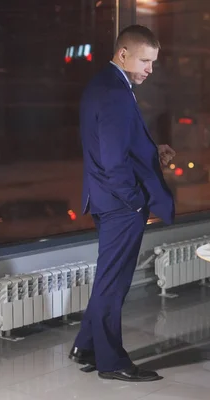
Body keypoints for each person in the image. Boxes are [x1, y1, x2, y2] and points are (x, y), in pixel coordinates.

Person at [68, 25, 176, 382]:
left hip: (104, 199)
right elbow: (113, 162)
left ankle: (85, 346)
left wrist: (151, 153)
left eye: (153, 62)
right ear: (123, 54)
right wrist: (133, 203)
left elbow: (114, 147)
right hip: (119, 206)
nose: (150, 68)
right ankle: (111, 361)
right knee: (113, 285)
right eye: (145, 60)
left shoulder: (104, 85)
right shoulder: (115, 92)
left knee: (107, 279)